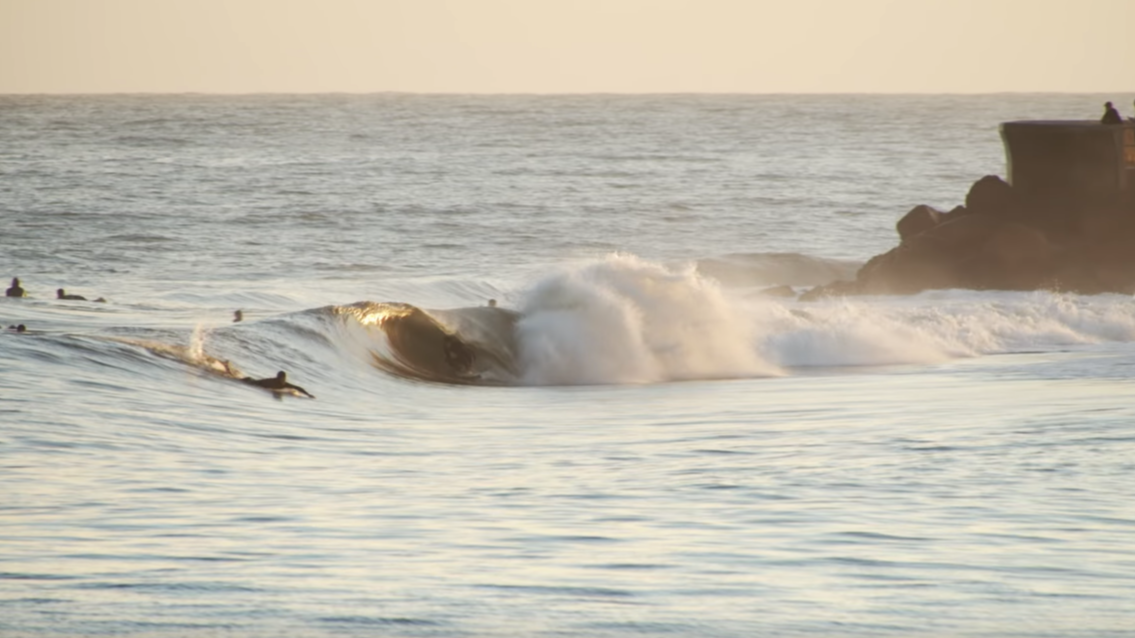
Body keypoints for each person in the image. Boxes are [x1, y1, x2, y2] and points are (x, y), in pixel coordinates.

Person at [241, 370, 315, 398]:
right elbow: (260, 382)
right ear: (277, 377)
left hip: (260, 384)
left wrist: (308, 394)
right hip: (257, 383)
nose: (281, 380)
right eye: (280, 378)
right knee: (247, 380)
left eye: (283, 378)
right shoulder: (273, 381)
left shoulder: (285, 384)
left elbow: (298, 388)